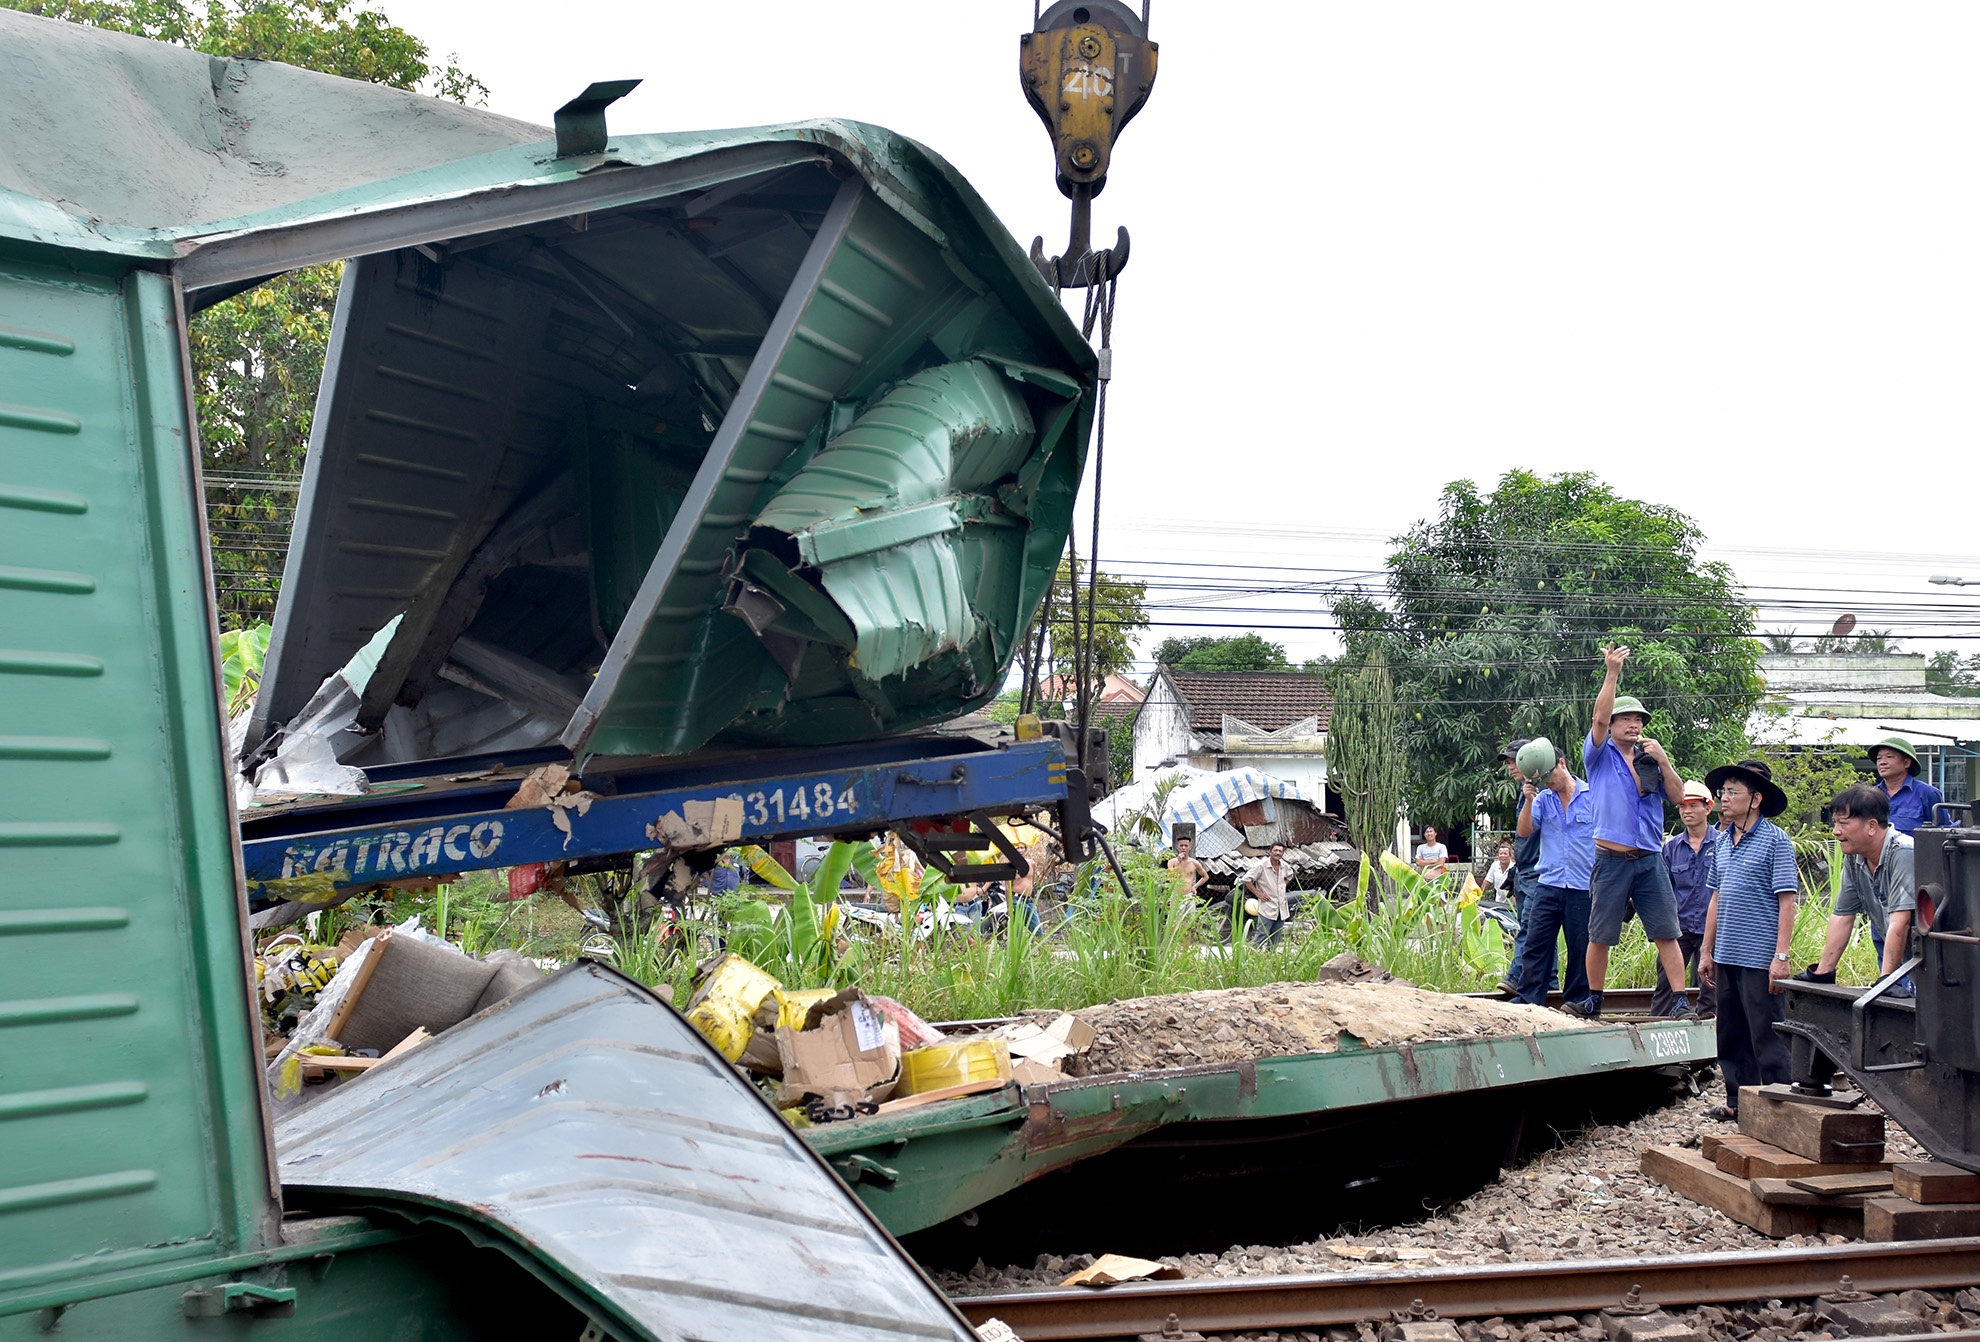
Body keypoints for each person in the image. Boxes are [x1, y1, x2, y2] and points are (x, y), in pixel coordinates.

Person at [1567, 643, 1696, 1020]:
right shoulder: (1600, 755)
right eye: (1626, 719)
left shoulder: (1649, 758)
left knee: (1666, 932)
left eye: (1638, 719)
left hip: (1649, 858)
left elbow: (1678, 797)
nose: (1633, 724)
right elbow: (1598, 717)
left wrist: (1664, 759)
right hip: (1611, 859)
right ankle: (1594, 999)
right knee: (1601, 933)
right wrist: (1612, 673)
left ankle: (1679, 1001)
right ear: (1615, 724)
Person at [1699, 759, 1799, 1122]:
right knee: (1731, 1033)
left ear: (1755, 799)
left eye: (1732, 792)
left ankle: (1780, 1107)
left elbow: (1787, 901)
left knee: (1767, 1034)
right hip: (1726, 953)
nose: (1724, 799)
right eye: (1722, 792)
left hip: (1760, 956)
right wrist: (1707, 951)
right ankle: (1737, 1101)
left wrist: (1781, 955)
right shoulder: (1722, 842)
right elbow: (1716, 898)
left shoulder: (1776, 842)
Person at [1797, 784, 1916, 992]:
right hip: (1917, 963)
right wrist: (1823, 972)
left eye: (1843, 823)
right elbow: (1842, 915)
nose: (1835, 832)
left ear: (1871, 826)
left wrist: (1886, 979)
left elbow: (1901, 920)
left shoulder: (1903, 852)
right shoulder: (1854, 857)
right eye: (1834, 823)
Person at [1509, 738, 1593, 1008]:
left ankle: (1577, 1001)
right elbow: (1524, 831)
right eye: (1542, 779)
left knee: (1581, 946)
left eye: (1549, 775)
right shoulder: (1543, 799)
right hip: (1549, 883)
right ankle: (1529, 999)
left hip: (1582, 885)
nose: (1548, 782)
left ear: (1562, 764)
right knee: (1536, 943)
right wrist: (1528, 800)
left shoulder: (1592, 796)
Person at [1653, 780, 1721, 1019]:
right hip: (1678, 930)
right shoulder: (1670, 849)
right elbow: (1663, 892)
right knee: (1665, 986)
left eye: (1693, 805)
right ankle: (1656, 1032)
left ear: (1708, 807)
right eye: (1682, 806)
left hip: (1711, 930)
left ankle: (1709, 1042)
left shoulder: (1723, 845)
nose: (1687, 811)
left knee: (1711, 988)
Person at [1494, 739, 1550, 998]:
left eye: (1515, 761)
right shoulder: (1525, 791)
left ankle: (1517, 976)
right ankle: (1550, 983)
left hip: (1538, 869)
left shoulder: (1541, 790)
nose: (1511, 767)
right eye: (1508, 762)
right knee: (1539, 928)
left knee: (1530, 926)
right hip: (1525, 869)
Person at [1865, 736, 1944, 836]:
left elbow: (1943, 831)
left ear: (1906, 763)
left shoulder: (1927, 793)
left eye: (1889, 757)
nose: (1882, 762)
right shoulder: (1870, 796)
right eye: (1879, 758)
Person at [1241, 842, 1291, 945]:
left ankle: (1271, 958)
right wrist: (1258, 893)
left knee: (1276, 937)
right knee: (1261, 935)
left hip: (1281, 908)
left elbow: (1290, 876)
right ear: (1270, 852)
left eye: (1280, 851)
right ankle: (1253, 958)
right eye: (1275, 850)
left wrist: (1282, 886)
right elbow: (1246, 879)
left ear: (1283, 853)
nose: (1278, 853)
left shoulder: (1284, 866)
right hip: (1267, 906)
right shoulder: (1261, 866)